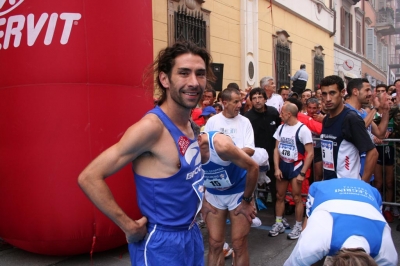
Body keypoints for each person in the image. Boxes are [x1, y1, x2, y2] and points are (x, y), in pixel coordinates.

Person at [77, 41, 214, 266]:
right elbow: (89, 177)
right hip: (161, 244)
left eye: (200, 74)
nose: (193, 82)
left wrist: (204, 161)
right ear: (164, 79)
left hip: (191, 235)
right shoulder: (152, 127)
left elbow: (182, 174)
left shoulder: (189, 124)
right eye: (183, 73)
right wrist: (128, 226)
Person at [284, 178, 398, 266]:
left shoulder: (388, 257)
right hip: (324, 191)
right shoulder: (313, 243)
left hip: (369, 194)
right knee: (308, 248)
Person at [199, 131, 258, 266]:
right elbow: (188, 176)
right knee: (214, 244)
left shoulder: (221, 145)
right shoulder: (182, 148)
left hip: (238, 192)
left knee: (238, 245)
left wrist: (247, 200)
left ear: (198, 140)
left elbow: (253, 167)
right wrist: (202, 200)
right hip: (213, 193)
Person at [319, 75, 378, 182]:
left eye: (332, 93)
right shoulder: (326, 119)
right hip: (330, 184)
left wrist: (362, 185)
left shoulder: (351, 119)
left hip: (348, 186)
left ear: (342, 93)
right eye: (324, 94)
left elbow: (373, 153)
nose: (328, 99)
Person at [269, 103, 314, 240]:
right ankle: (278, 223)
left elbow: (310, 153)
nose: (279, 114)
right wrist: (277, 168)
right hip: (283, 165)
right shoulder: (281, 128)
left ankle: (298, 225)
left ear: (289, 114)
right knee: (280, 196)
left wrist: (302, 173)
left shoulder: (303, 129)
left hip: (296, 166)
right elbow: (276, 149)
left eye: (282, 112)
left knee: (297, 198)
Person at [244, 88, 282, 219]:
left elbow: (279, 131)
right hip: (255, 159)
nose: (257, 100)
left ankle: (278, 218)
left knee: (276, 190)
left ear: (265, 99)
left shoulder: (273, 112)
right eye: (254, 98)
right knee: (250, 187)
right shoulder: (247, 117)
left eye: (260, 97)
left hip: (273, 157)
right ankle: (250, 215)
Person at [344, 78, 389, 179]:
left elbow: (380, 133)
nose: (370, 94)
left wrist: (385, 110)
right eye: (367, 90)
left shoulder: (364, 112)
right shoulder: (345, 111)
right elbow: (360, 127)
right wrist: (376, 109)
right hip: (351, 167)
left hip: (365, 164)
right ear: (355, 91)